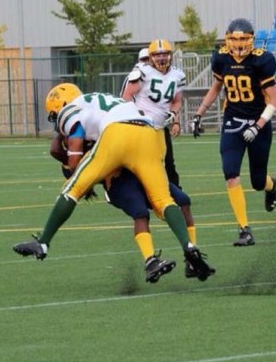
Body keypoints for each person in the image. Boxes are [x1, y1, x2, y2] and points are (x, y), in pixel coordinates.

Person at [13, 85, 215, 282]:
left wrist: (73, 169)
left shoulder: (71, 110)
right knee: (163, 200)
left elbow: (74, 151)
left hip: (118, 135)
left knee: (72, 189)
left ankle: (43, 243)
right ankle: (189, 247)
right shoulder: (106, 101)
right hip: (151, 134)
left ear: (62, 105)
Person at [50, 128, 200, 282]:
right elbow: (56, 151)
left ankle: (192, 257)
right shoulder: (78, 147)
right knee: (140, 212)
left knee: (183, 201)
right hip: (119, 181)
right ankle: (150, 260)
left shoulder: (102, 123)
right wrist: (63, 130)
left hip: (144, 169)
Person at [192, 18, 276, 247]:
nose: (239, 44)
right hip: (232, 122)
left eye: (243, 39)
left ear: (251, 39)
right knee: (230, 173)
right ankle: (244, 229)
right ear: (227, 39)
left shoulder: (262, 60)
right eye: (234, 39)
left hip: (258, 123)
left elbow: (274, 100)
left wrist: (257, 126)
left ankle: (271, 185)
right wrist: (199, 113)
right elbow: (215, 88)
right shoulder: (221, 58)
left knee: (258, 182)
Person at [121, 39, 184, 187]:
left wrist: (174, 116)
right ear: (150, 57)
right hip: (142, 127)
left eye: (164, 54)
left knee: (169, 163)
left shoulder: (178, 75)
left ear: (170, 55)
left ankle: (176, 193)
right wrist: (136, 116)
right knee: (141, 163)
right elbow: (127, 95)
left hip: (161, 127)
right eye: (157, 55)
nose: (161, 58)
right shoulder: (143, 71)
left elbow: (177, 101)